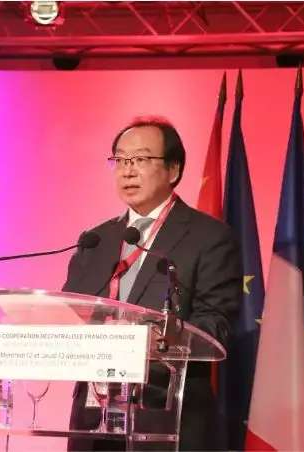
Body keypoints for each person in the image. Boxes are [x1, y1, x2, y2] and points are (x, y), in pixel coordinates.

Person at [63, 116, 242, 451]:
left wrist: (155, 338)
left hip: (165, 418)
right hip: (93, 420)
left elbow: (216, 325)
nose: (128, 171)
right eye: (120, 160)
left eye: (141, 159)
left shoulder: (209, 237)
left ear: (173, 170)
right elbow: (71, 312)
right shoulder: (95, 240)